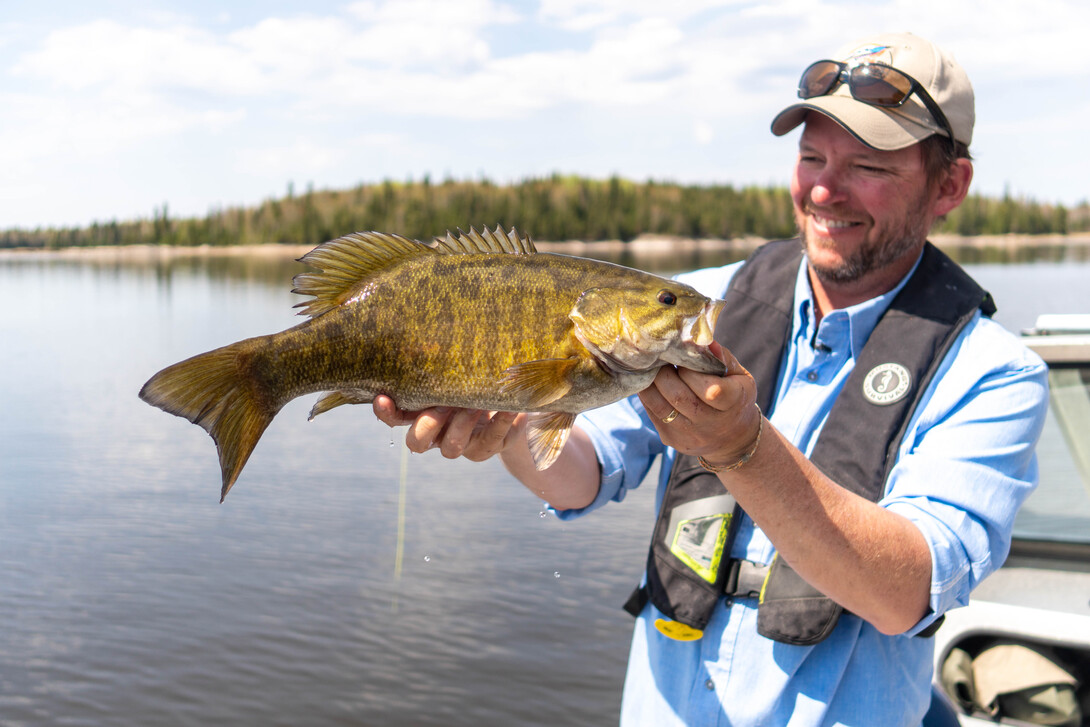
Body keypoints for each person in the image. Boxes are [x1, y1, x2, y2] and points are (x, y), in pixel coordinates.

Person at [374, 32, 1049, 726]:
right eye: (811, 155)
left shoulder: (997, 375)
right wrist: (510, 421)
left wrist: (741, 448)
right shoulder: (694, 304)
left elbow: (905, 591)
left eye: (867, 166)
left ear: (950, 186)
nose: (823, 188)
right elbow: (584, 472)